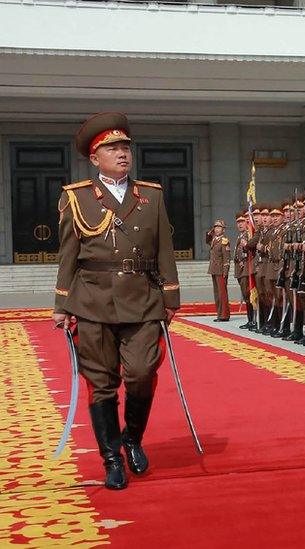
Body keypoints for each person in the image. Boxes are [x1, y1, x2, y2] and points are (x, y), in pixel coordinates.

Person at [53, 112, 180, 490]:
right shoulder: (75, 198)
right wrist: (62, 304)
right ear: (95, 158)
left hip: (141, 298)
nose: (122, 153)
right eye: (112, 148)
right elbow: (68, 254)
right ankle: (111, 458)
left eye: (125, 146)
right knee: (101, 382)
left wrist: (170, 295)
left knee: (141, 373)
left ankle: (132, 438)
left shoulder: (151, 195)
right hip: (92, 299)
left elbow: (165, 249)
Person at [235, 214, 257, 330]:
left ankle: (253, 320)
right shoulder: (241, 236)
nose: (240, 224)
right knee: (246, 295)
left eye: (242, 222)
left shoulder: (249, 235)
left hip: (247, 269)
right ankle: (250, 320)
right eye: (238, 222)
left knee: (249, 296)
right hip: (241, 270)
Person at [206, 219, 231, 322]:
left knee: (222, 294)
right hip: (214, 269)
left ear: (223, 229)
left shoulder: (224, 241)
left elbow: (226, 258)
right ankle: (219, 314)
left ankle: (224, 315)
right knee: (217, 294)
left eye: (219, 227)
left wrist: (225, 272)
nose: (217, 229)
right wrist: (209, 232)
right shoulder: (214, 239)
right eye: (215, 227)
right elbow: (207, 240)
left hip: (221, 270)